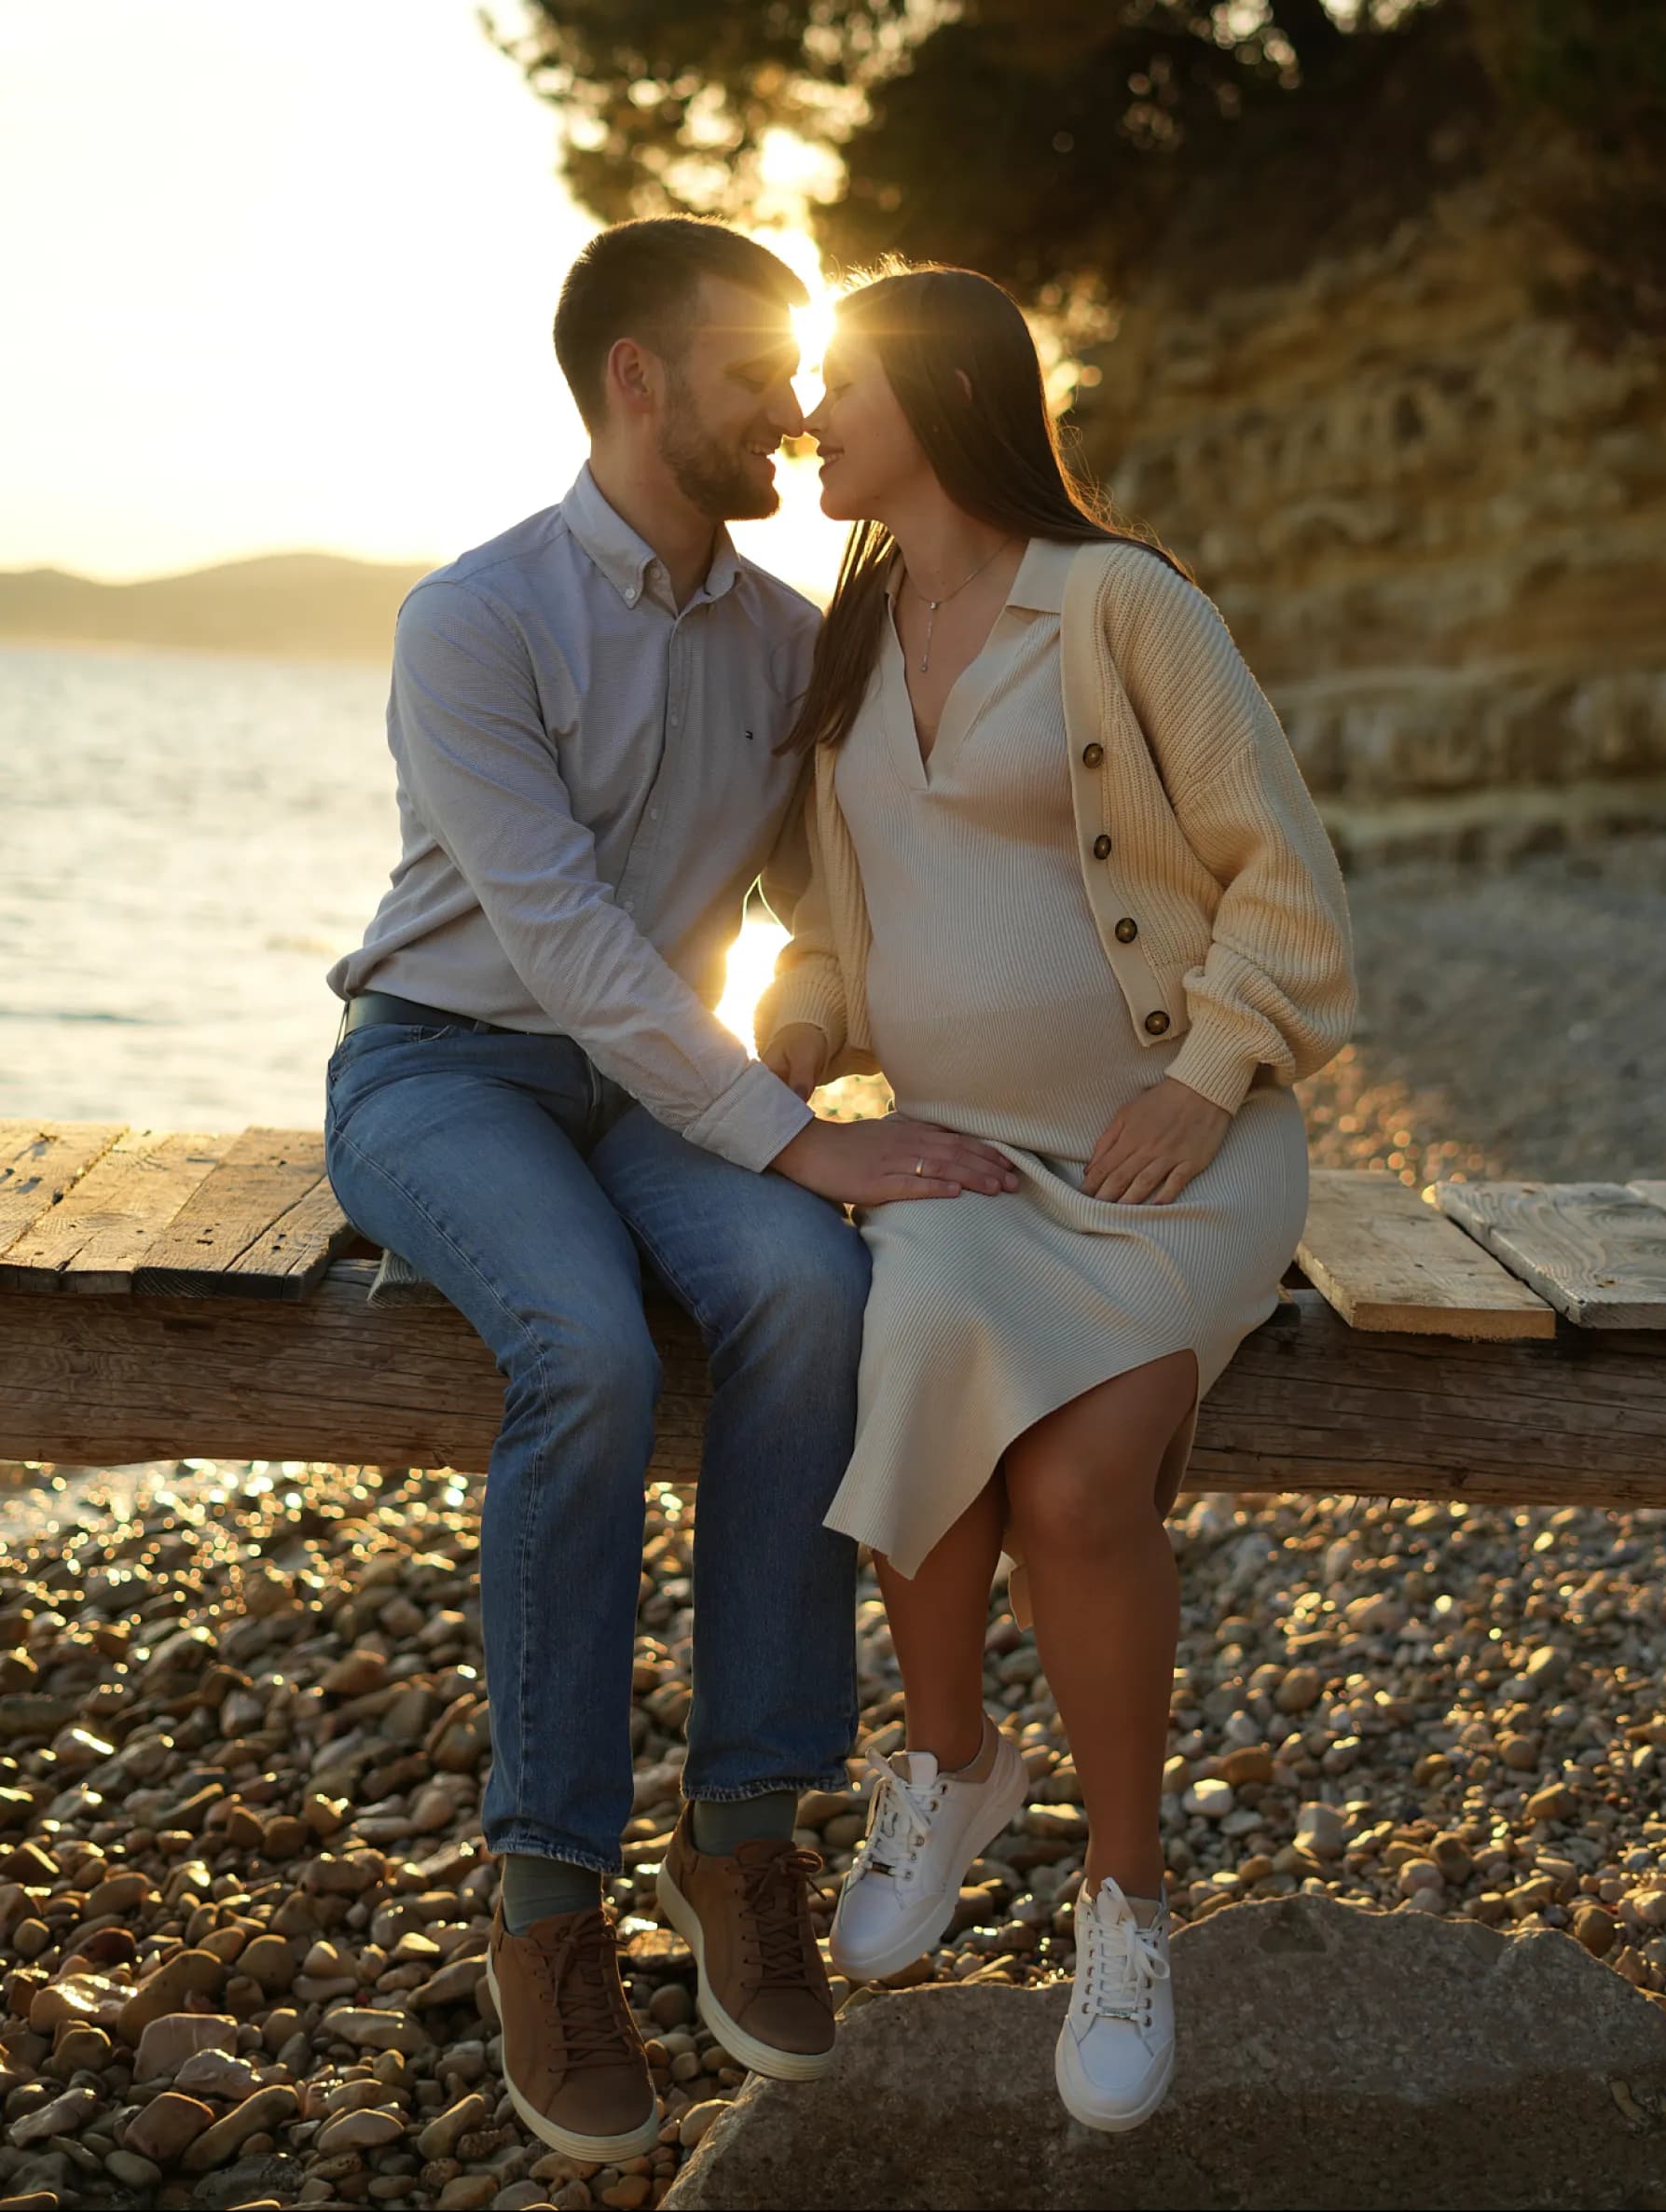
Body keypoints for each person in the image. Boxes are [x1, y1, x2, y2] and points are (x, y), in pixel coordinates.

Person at [323, 220, 1016, 2164]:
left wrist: (800, 1000)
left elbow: (817, 889)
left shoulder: (793, 638)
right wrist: (797, 1138)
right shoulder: (473, 620)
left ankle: (742, 1835)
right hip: (444, 1067)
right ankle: (547, 1899)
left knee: (814, 1293)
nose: (791, 409)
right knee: (587, 1350)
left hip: (656, 1091)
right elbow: (556, 941)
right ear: (636, 379)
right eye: (753, 373)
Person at [757, 263, 1356, 2133]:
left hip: (1168, 1154)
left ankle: (1126, 1898)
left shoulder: (1117, 602)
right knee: (913, 1349)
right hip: (953, 1152)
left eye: (837, 387)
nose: (807, 420)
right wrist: (800, 1029)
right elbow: (825, 914)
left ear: (940, 397)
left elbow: (1283, 874)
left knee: (1082, 1491)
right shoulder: (852, 633)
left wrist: (1203, 1077)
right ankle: (948, 1761)